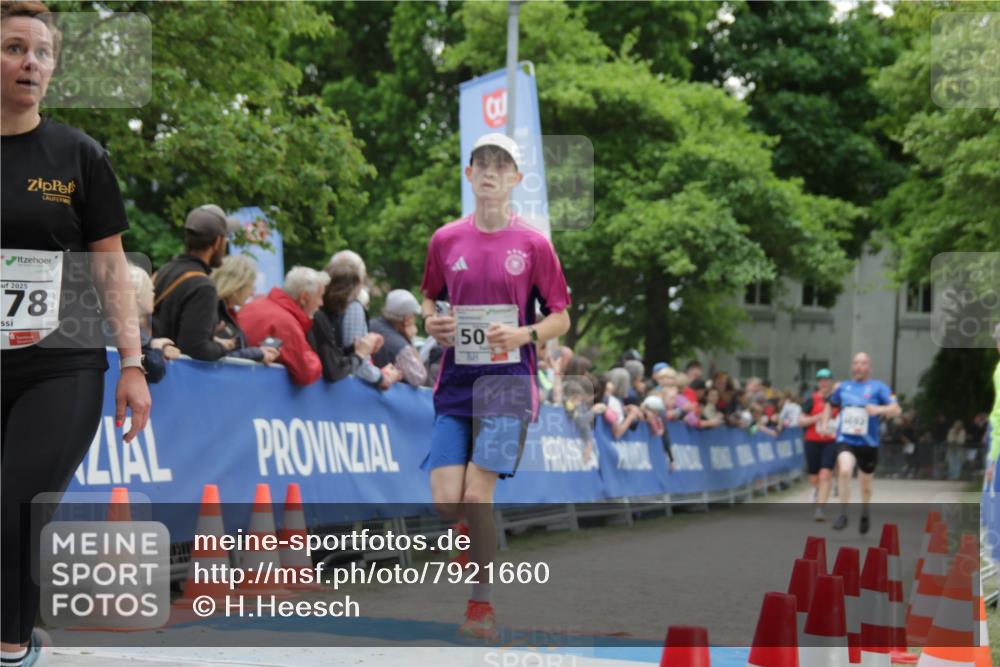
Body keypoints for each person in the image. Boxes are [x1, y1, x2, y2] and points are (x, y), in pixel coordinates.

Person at [1, 3, 151, 663]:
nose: (29, 62)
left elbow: (111, 266)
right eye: (12, 47)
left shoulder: (77, 155)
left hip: (62, 361)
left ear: (54, 67)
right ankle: (21, 626)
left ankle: (10, 647)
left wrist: (134, 364)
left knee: (16, 502)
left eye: (41, 52)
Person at [420, 132, 571, 640]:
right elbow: (428, 299)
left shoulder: (533, 243)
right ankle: (469, 536)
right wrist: (431, 322)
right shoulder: (445, 240)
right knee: (447, 501)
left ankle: (480, 608)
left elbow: (562, 317)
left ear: (515, 178)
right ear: (468, 175)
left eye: (500, 165)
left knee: (477, 495)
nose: (489, 172)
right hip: (456, 382)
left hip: (509, 382)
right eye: (480, 163)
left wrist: (525, 333)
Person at [820, 352, 901, 534]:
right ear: (852, 366)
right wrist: (825, 423)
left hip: (868, 443)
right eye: (856, 363)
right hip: (846, 439)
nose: (858, 366)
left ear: (869, 367)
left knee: (865, 485)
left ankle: (865, 510)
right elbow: (829, 404)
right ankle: (843, 514)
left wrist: (879, 409)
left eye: (863, 363)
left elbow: (896, 409)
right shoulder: (843, 387)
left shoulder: (878, 388)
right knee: (845, 470)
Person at [152, 203, 241, 361]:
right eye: (225, 238)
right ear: (217, 242)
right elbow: (195, 348)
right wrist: (223, 347)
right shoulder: (203, 286)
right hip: (176, 379)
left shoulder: (162, 271)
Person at [318, 256, 400, 389]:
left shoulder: (319, 305)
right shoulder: (353, 307)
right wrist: (380, 378)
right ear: (358, 281)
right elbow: (358, 358)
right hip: (343, 387)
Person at [237, 267, 328, 386]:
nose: (321, 303)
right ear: (304, 298)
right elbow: (307, 372)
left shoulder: (252, 305)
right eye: (320, 296)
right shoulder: (287, 323)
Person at [210, 255, 279, 365]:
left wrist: (258, 353)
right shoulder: (213, 311)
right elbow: (218, 357)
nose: (252, 292)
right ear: (238, 285)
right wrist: (257, 353)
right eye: (251, 286)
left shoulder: (225, 311)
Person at [798, 369, 838, 521]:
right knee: (814, 478)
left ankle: (820, 509)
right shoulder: (811, 399)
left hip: (831, 441)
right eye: (821, 379)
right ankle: (816, 491)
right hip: (812, 441)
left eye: (827, 379)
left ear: (831, 381)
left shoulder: (837, 400)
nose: (824, 382)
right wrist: (818, 417)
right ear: (818, 382)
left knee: (825, 474)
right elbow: (801, 421)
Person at [128, 264, 180, 382]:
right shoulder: (128, 329)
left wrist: (152, 342)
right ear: (137, 295)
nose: (154, 294)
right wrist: (157, 349)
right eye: (151, 290)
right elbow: (155, 370)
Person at [369, 289, 428, 387]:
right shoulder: (401, 346)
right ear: (407, 319)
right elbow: (419, 378)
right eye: (413, 316)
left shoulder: (369, 324)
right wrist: (409, 340)